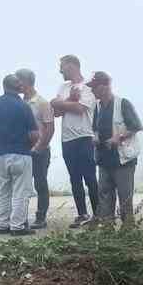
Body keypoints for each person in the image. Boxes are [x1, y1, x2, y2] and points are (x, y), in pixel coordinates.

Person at [0, 73, 38, 235]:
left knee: (3, 190)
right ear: (18, 87)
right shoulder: (23, 106)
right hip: (21, 153)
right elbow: (34, 134)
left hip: (0, 153)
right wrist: (29, 147)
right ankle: (18, 225)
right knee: (21, 192)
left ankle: (2, 224)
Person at [51, 54, 98, 227]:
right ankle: (82, 214)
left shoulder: (88, 88)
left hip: (85, 137)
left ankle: (98, 215)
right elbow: (54, 110)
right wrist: (70, 99)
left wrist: (62, 103)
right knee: (74, 178)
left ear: (71, 66)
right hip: (67, 139)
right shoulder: (63, 87)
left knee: (90, 177)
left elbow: (79, 109)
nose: (59, 70)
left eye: (61, 66)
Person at [91, 71, 143, 228]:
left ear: (104, 86)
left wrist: (118, 138)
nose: (92, 91)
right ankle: (108, 228)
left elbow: (135, 126)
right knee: (105, 194)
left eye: (94, 87)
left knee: (124, 195)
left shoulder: (122, 103)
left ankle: (128, 227)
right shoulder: (98, 107)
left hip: (123, 160)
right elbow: (94, 128)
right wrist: (95, 137)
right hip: (103, 159)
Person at [15, 67, 55, 230]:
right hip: (22, 151)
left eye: (18, 81)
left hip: (39, 151)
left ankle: (41, 217)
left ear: (25, 82)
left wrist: (39, 147)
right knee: (22, 186)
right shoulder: (19, 103)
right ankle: (20, 218)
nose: (16, 85)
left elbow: (49, 129)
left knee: (40, 183)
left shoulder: (42, 103)